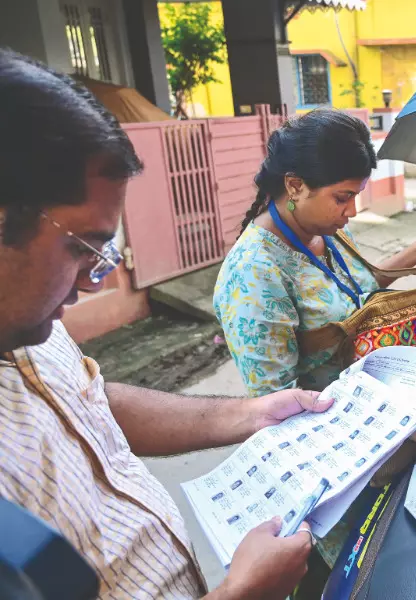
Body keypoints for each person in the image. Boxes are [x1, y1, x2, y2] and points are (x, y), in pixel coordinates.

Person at [0, 49, 327, 599]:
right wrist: (239, 595)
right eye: (83, 248)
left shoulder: (29, 324)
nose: (96, 282)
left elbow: (89, 401)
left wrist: (249, 414)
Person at [213, 109, 416, 575]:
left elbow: (350, 295)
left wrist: (414, 252)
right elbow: (279, 410)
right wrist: (403, 423)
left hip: (380, 446)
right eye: (342, 198)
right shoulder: (254, 276)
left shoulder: (320, 234)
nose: (350, 213)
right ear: (293, 185)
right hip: (334, 477)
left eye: (355, 197)